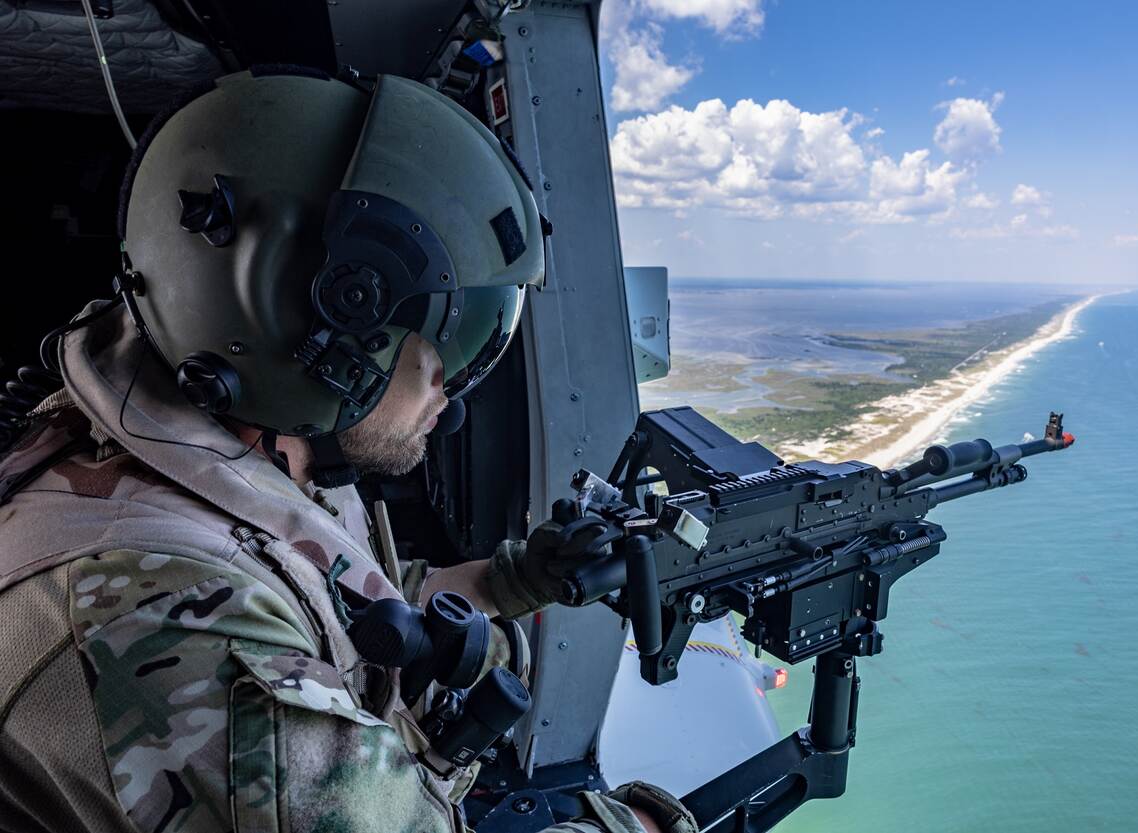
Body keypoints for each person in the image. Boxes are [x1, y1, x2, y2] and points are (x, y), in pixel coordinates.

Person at [0, 67, 695, 833]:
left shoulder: (245, 438)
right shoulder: (167, 615)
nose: (452, 384)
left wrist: (516, 578)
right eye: (449, 334)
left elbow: (343, 598)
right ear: (303, 322)